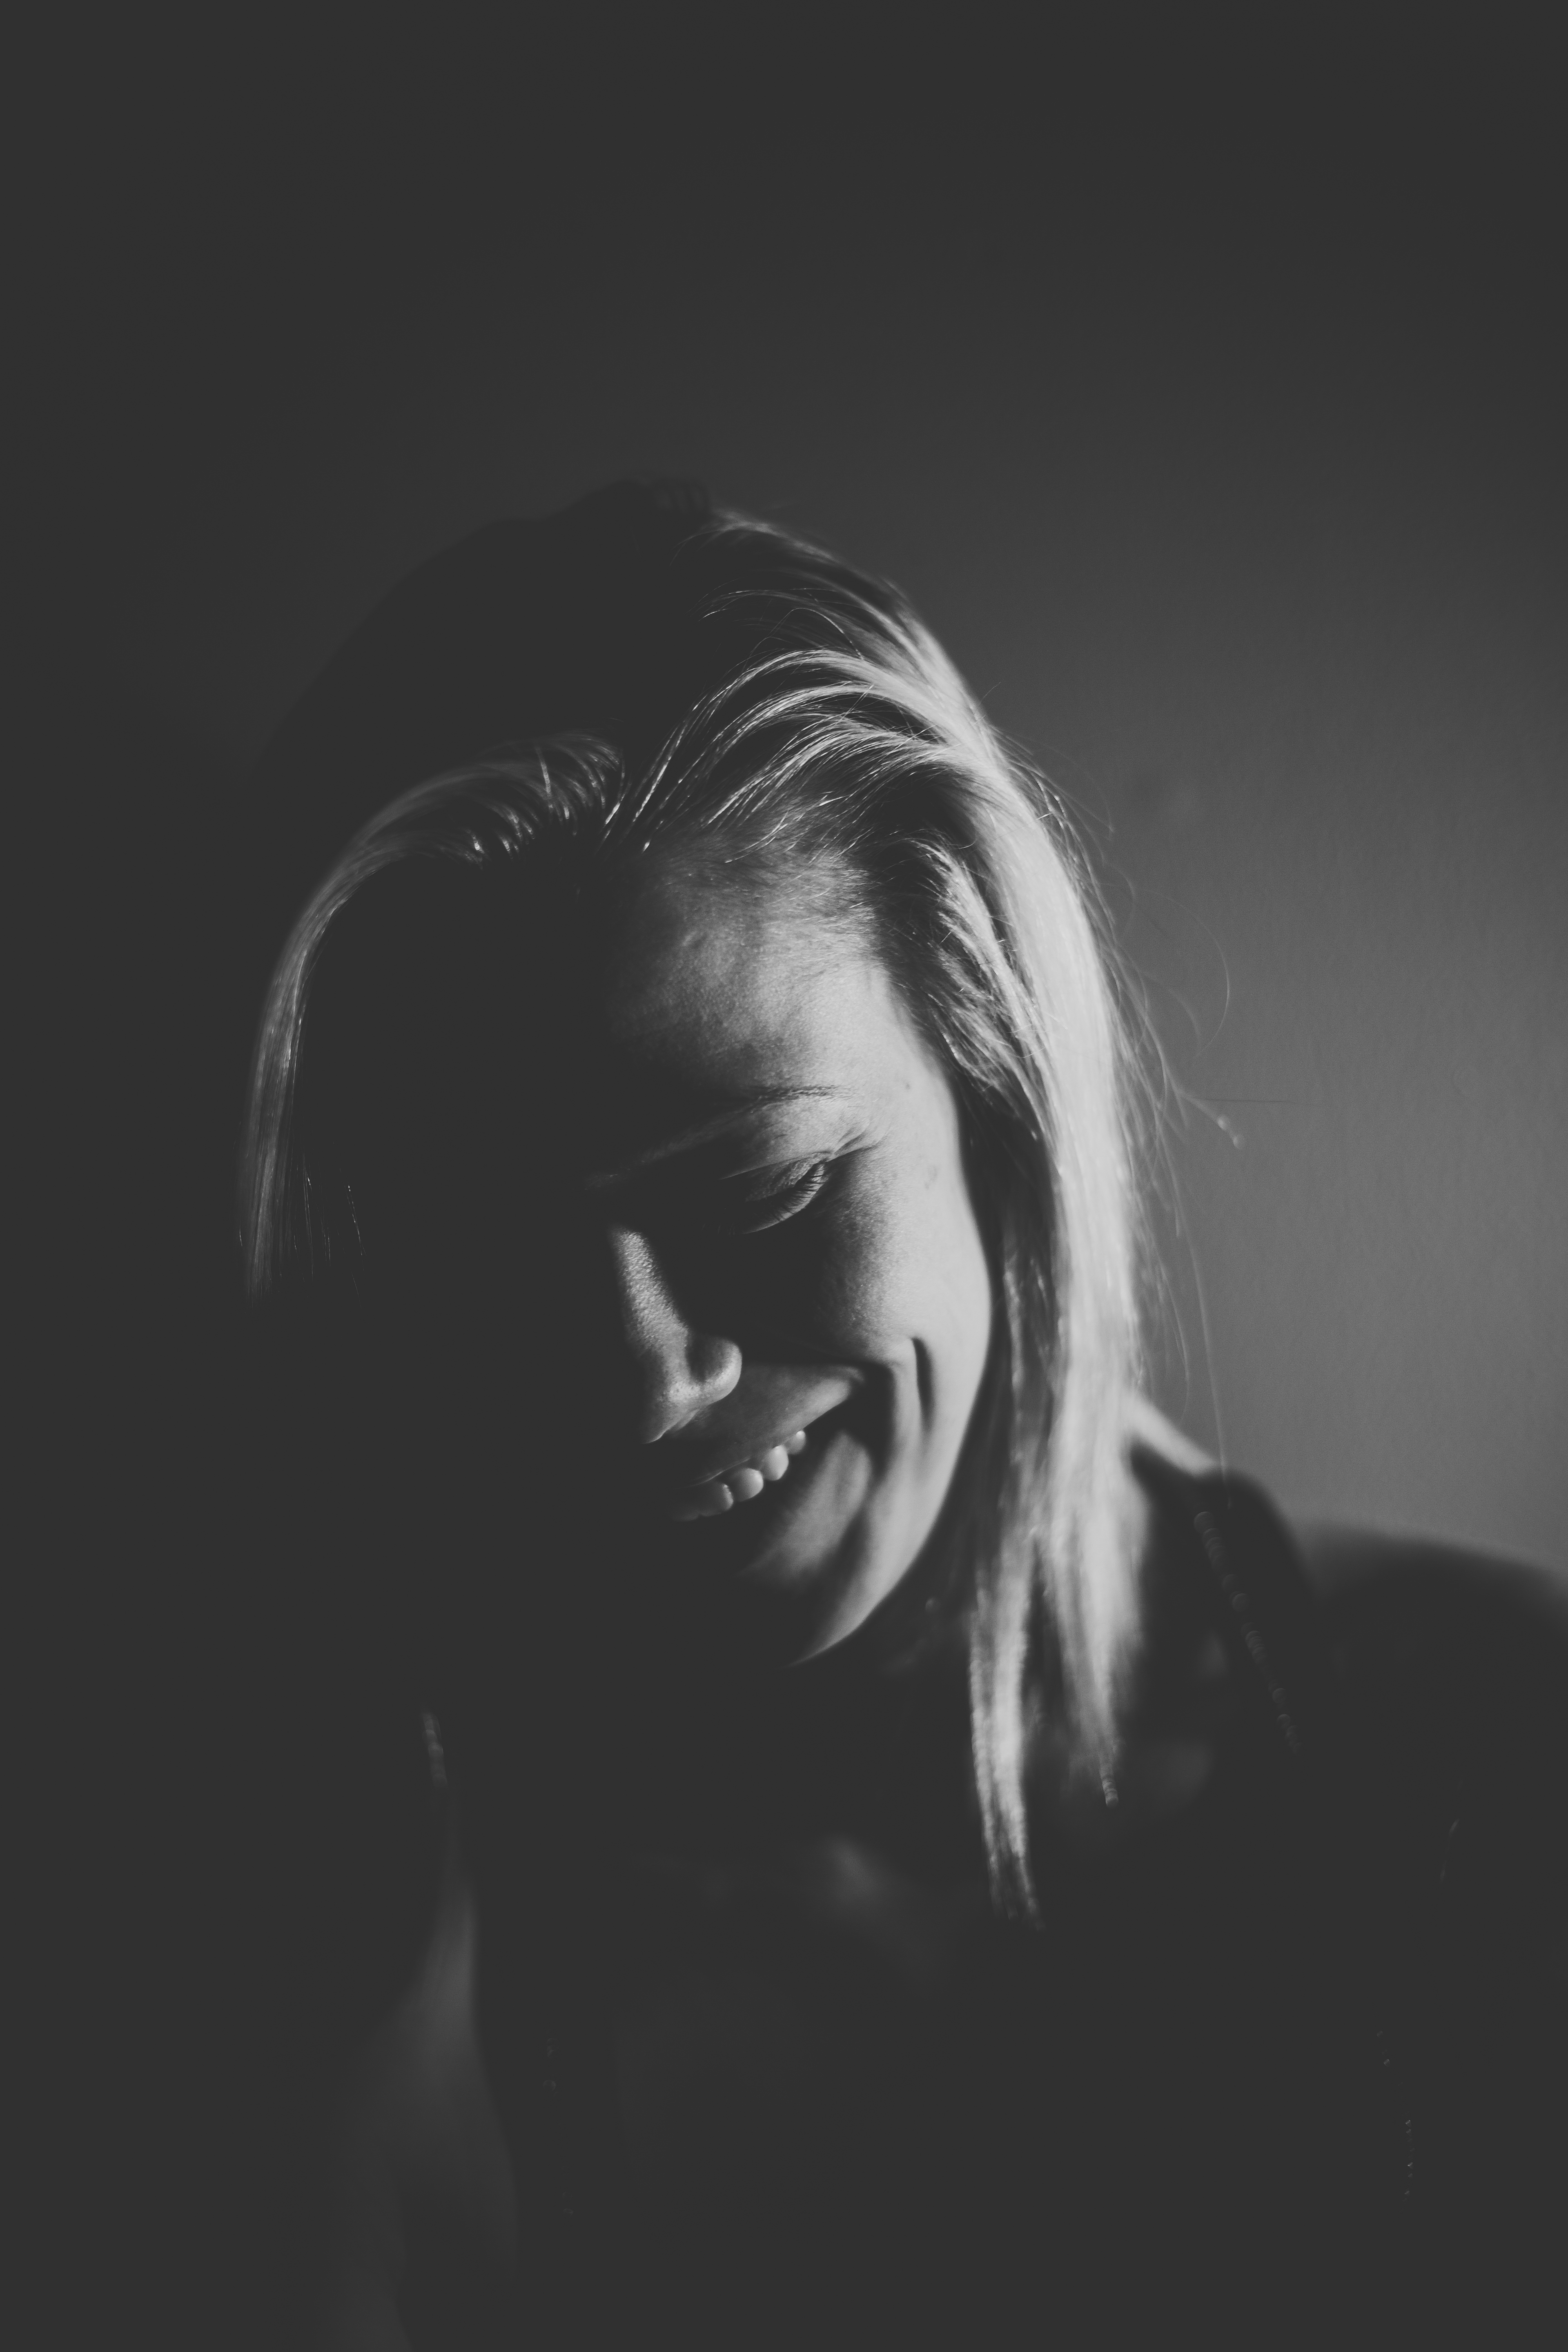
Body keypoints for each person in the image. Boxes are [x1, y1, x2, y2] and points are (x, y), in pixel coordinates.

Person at [228, 484, 1564, 2349]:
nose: (642, 1381)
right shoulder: (375, 1974)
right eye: (492, 1264)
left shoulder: (1497, 1760)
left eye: (762, 1191)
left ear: (995, 1082)